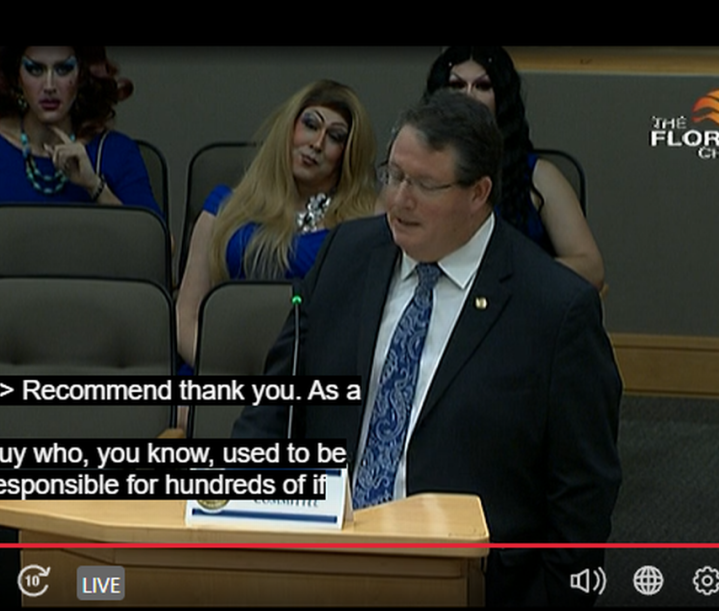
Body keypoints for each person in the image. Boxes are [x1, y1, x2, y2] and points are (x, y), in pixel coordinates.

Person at [233, 91, 621, 606]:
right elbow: (277, 401)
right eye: (393, 176)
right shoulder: (346, 255)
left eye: (424, 185)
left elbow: (582, 494)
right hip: (321, 559)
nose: (398, 200)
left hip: (466, 580)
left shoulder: (553, 309)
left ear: (478, 192)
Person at [0, 46, 161, 340]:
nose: (49, 85)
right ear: (16, 75)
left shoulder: (115, 150)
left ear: (83, 75)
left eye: (63, 69)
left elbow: (159, 248)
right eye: (35, 69)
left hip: (91, 315)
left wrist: (94, 186)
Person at [176, 79, 378, 371]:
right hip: (215, 375)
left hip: (307, 385)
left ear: (346, 155)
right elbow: (186, 317)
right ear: (289, 128)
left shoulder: (360, 225)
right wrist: (228, 378)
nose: (317, 143)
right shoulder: (224, 209)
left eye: (335, 137)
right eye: (310, 124)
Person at [425, 45, 605, 290]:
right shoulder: (415, 172)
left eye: (483, 86)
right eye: (457, 86)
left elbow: (591, 268)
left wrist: (512, 273)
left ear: (502, 99)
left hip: (520, 304)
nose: (468, 96)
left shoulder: (538, 175)